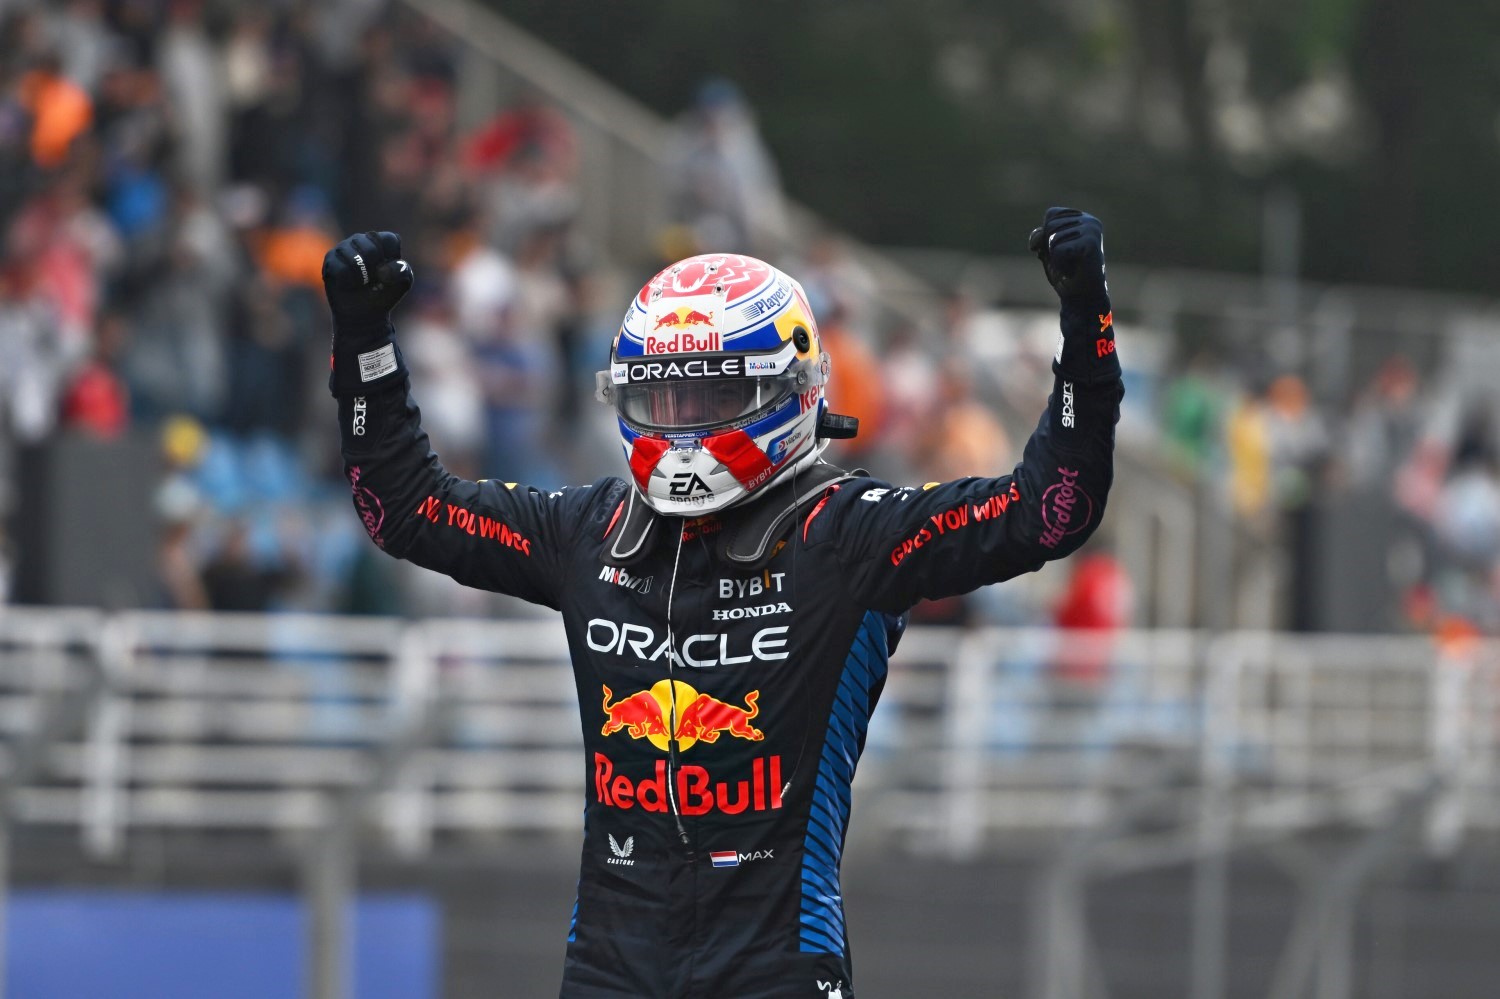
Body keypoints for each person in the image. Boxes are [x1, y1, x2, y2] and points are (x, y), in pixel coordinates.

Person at [323, 208, 1122, 998]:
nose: (679, 428)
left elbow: (1050, 507)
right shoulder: (588, 530)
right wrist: (364, 346)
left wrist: (1087, 326)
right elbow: (405, 509)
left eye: (707, 397)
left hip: (774, 963)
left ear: (785, 389)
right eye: (660, 400)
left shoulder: (850, 533)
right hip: (610, 961)